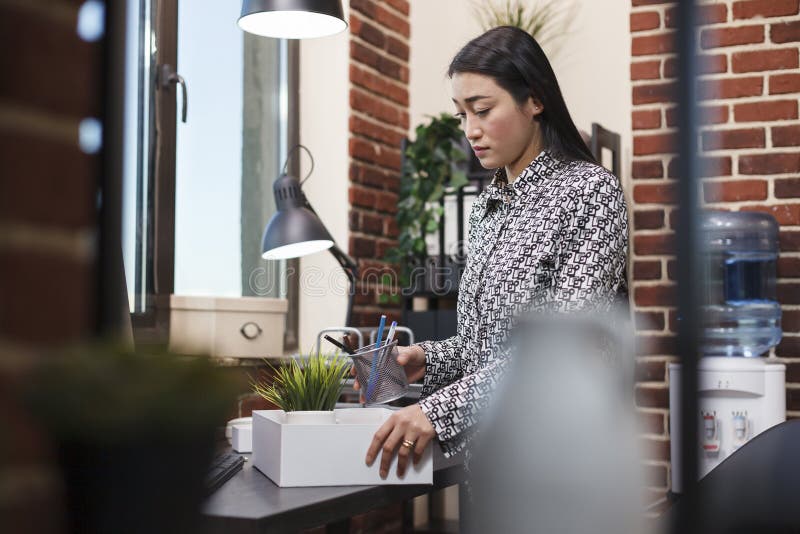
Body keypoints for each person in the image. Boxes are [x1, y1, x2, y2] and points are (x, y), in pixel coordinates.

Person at [354, 26, 629, 481]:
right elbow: (484, 346)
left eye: (482, 110)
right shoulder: (486, 207)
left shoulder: (589, 192)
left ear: (535, 100)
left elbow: (560, 355)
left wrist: (437, 412)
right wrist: (425, 356)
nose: (470, 130)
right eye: (462, 114)